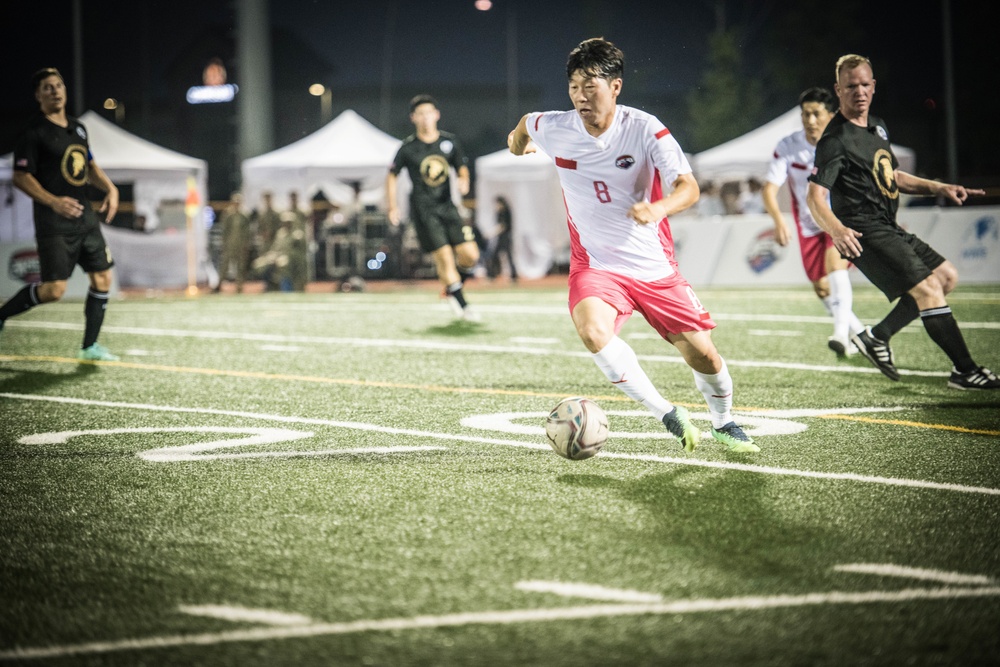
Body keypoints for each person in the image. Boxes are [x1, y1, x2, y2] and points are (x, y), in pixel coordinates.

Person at [508, 37, 758, 453]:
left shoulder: (645, 129)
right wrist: (521, 145)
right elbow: (522, 128)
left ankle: (723, 421)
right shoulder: (554, 126)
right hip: (596, 265)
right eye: (574, 87)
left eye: (591, 87)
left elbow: (689, 188)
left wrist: (659, 208)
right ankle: (667, 414)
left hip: (653, 267)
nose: (580, 97)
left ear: (616, 87)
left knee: (705, 357)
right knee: (592, 330)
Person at [807, 54, 998, 389]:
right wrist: (836, 230)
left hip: (888, 224)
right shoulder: (834, 140)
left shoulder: (877, 127)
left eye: (865, 84)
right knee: (927, 289)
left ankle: (876, 337)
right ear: (838, 90)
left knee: (945, 277)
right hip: (864, 229)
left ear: (874, 85)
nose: (860, 92)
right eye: (851, 86)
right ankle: (965, 370)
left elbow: (893, 175)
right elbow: (814, 197)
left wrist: (941, 187)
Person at [0, 68, 120, 361]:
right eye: (47, 88)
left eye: (58, 85)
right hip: (54, 223)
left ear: (65, 90)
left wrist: (111, 189)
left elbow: (88, 165)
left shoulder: (79, 128)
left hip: (85, 219)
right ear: (38, 96)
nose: (55, 91)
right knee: (54, 290)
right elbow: (20, 177)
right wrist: (53, 201)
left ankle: (89, 347)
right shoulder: (34, 132)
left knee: (103, 279)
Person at [762, 87, 867, 357]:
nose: (810, 120)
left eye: (816, 114)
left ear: (830, 115)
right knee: (821, 287)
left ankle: (841, 335)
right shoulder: (787, 146)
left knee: (835, 266)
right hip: (808, 223)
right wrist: (778, 220)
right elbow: (769, 189)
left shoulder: (843, 142)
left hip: (839, 220)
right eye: (805, 114)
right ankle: (864, 336)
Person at [387, 94, 480, 321]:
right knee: (445, 258)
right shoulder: (408, 148)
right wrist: (393, 206)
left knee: (470, 256)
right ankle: (462, 304)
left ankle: (452, 287)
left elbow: (462, 167)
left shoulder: (449, 142)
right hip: (424, 211)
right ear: (413, 118)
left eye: (429, 113)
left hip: (448, 207)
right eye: (420, 114)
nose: (426, 118)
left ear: (437, 115)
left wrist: (464, 179)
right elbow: (391, 175)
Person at [217, 192, 252, 293]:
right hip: (230, 244)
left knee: (240, 266)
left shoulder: (244, 215)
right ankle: (219, 284)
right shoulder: (228, 214)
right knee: (225, 265)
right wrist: (224, 243)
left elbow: (247, 231)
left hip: (240, 244)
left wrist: (246, 244)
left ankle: (239, 286)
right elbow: (225, 230)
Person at [486, 196, 518, 282]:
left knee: (506, 256)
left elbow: (503, 226)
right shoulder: (499, 212)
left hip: (506, 237)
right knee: (495, 255)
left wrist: (491, 233)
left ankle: (513, 275)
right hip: (501, 237)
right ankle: (492, 275)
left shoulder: (505, 212)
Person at [255, 190, 282, 290]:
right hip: (266, 244)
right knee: (264, 264)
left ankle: (276, 285)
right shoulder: (262, 214)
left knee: (276, 264)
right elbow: (259, 229)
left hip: (275, 243)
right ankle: (267, 284)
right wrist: (263, 235)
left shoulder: (276, 213)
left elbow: (281, 228)